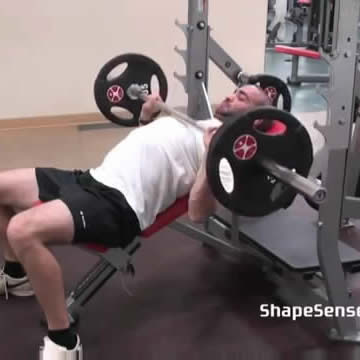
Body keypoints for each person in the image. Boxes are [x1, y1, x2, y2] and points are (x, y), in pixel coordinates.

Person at [0, 84, 271, 359]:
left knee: (22, 231)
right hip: (91, 178)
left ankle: (64, 340)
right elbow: (147, 151)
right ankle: (16, 275)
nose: (230, 95)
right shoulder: (204, 124)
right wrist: (146, 117)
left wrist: (211, 156)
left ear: (255, 119)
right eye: (235, 90)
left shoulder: (228, 154)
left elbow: (199, 212)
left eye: (242, 97)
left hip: (117, 204)